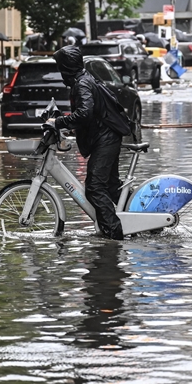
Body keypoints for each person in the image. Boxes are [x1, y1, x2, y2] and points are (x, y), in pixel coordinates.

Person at [49, 46, 133, 241]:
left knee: (95, 187)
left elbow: (85, 113)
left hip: (106, 138)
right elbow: (88, 114)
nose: (60, 71)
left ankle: (114, 234)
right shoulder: (83, 79)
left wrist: (59, 122)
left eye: (60, 67)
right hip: (106, 136)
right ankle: (142, 215)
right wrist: (66, 122)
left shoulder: (82, 84)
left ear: (67, 67)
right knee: (111, 186)